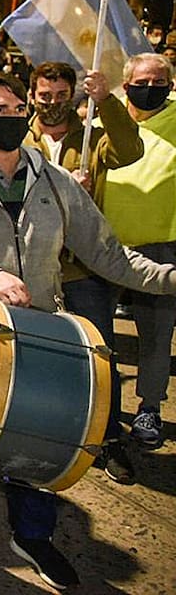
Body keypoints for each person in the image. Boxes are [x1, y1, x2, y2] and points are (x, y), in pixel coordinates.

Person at [0, 72, 176, 589]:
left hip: (38, 333)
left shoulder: (55, 182)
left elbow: (109, 256)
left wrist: (168, 279)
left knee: (42, 439)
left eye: (19, 107)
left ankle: (32, 537)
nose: (15, 115)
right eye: (0, 109)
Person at [22, 61, 143, 481]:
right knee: (40, 357)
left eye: (60, 96)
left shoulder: (90, 134)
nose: (52, 104)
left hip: (83, 269)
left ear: (72, 94)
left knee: (99, 354)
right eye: (44, 96)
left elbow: (130, 150)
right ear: (32, 94)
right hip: (36, 267)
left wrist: (106, 102)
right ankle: (47, 433)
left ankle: (109, 440)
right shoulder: (20, 137)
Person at [102, 52, 176, 450]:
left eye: (159, 82)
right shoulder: (102, 122)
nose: (150, 89)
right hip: (103, 249)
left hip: (162, 249)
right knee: (96, 334)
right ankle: (98, 409)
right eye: (142, 82)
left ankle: (150, 407)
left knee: (156, 336)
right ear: (125, 84)